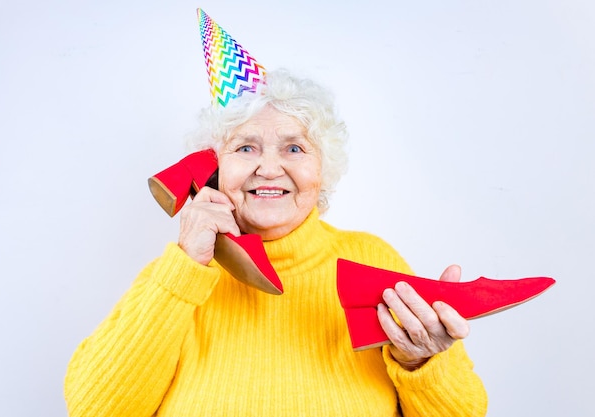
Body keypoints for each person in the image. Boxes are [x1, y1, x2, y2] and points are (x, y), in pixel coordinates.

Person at [64, 68, 488, 416]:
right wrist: (187, 267)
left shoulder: (371, 258)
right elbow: (94, 409)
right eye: (246, 148)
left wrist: (419, 361)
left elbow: (466, 412)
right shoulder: (176, 275)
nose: (268, 168)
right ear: (214, 169)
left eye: (294, 149)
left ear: (323, 169)